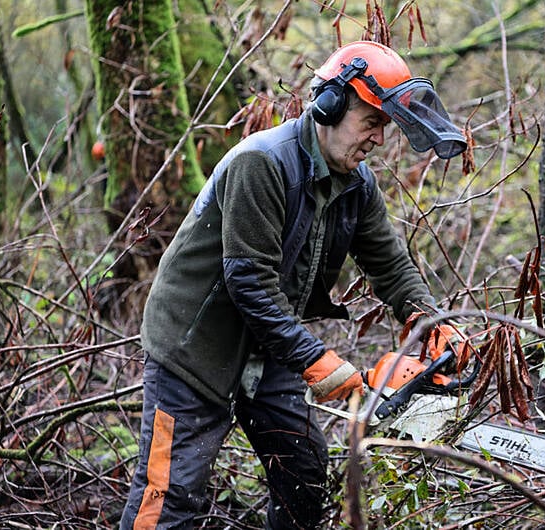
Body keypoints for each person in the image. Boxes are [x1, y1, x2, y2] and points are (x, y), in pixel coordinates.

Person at [120, 40, 468, 530]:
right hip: (194, 351)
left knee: (303, 471)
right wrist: (319, 361)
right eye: (370, 122)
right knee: (169, 495)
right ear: (329, 106)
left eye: (384, 127)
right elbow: (250, 282)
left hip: (268, 351)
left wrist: (427, 321)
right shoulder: (262, 163)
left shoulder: (356, 184)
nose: (377, 139)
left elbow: (390, 264)